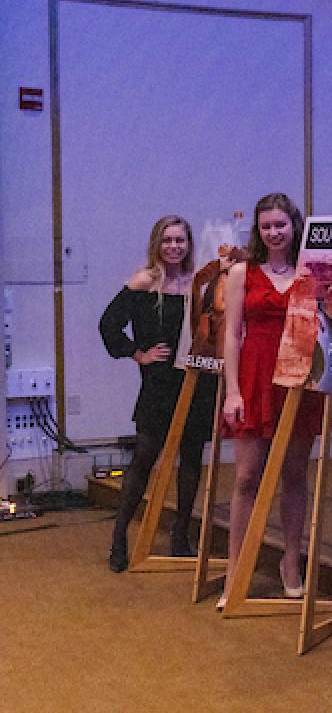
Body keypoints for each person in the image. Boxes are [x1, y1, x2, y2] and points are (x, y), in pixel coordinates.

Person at [220, 192, 324, 608]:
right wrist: (232, 390)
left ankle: (291, 563)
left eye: (281, 224)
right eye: (266, 226)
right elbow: (231, 335)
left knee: (294, 476)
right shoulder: (242, 273)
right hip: (254, 377)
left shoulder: (309, 270)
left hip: (298, 380)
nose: (274, 232)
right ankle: (235, 571)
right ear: (258, 230)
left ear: (294, 225)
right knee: (246, 478)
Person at [100, 215, 218, 572]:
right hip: (159, 384)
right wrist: (139, 353)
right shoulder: (144, 281)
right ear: (157, 243)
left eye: (180, 240)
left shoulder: (200, 282)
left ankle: (180, 536)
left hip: (196, 381)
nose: (174, 247)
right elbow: (108, 324)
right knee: (143, 459)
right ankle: (119, 538)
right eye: (167, 240)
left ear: (188, 243)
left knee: (191, 460)